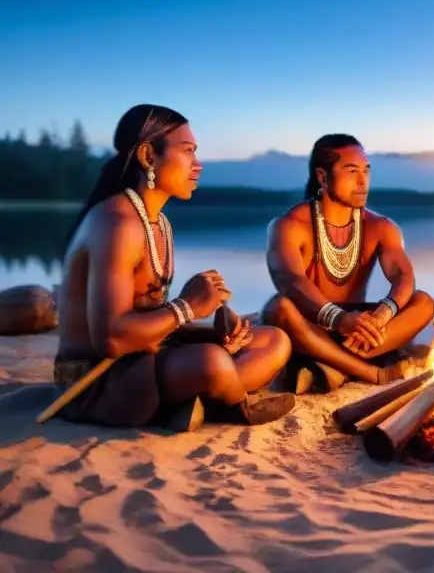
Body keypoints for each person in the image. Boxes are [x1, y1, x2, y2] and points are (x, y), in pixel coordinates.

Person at [54, 105, 296, 431]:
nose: (197, 165)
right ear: (148, 156)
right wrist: (187, 307)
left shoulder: (159, 223)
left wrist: (213, 330)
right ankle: (229, 403)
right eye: (187, 152)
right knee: (211, 363)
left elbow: (148, 319)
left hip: (142, 358)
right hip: (96, 381)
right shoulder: (117, 224)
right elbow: (111, 339)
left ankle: (198, 398)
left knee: (273, 341)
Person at [262, 134, 434, 389]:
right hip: (312, 325)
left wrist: (382, 314)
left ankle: (334, 364)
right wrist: (338, 318)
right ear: (322, 176)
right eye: (352, 171)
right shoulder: (290, 226)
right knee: (277, 308)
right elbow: (291, 281)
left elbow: (402, 275)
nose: (362, 180)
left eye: (366, 171)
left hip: (360, 331)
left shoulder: (381, 226)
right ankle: (370, 372)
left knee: (423, 302)